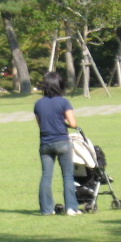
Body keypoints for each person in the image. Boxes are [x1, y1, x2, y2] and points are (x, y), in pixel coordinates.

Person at [33, 71, 81, 216]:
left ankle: (46, 209)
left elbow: (41, 125)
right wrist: (63, 122)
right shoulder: (64, 102)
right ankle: (71, 207)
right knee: (67, 176)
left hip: (45, 143)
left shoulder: (38, 104)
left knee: (46, 176)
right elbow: (73, 123)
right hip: (62, 142)